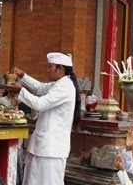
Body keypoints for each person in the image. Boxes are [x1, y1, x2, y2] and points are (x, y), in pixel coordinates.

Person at [7, 52, 81, 185]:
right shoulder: (59, 83)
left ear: (61, 69)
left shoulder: (65, 86)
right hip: (42, 146)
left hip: (52, 150)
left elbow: (39, 104)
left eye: (51, 67)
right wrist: (21, 75)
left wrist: (21, 91)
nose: (48, 70)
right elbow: (40, 88)